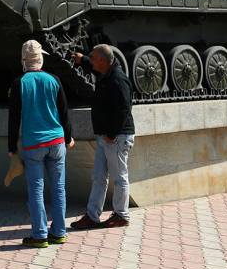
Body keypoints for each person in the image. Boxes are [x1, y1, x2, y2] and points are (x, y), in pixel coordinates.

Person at [8, 40, 74, 248]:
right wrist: (69, 137)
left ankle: (39, 235)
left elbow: (14, 118)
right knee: (59, 188)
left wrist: (11, 147)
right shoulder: (53, 80)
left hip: (34, 144)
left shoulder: (19, 83)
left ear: (23, 60)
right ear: (41, 58)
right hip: (57, 141)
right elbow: (64, 112)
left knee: (36, 189)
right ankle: (59, 232)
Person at [69, 44, 135, 230]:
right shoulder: (105, 73)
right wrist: (82, 60)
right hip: (105, 137)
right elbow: (93, 65)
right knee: (98, 176)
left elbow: (124, 109)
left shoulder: (118, 80)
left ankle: (121, 215)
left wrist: (112, 133)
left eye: (93, 57)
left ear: (104, 61)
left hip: (117, 137)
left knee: (119, 177)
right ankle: (92, 215)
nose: (91, 59)